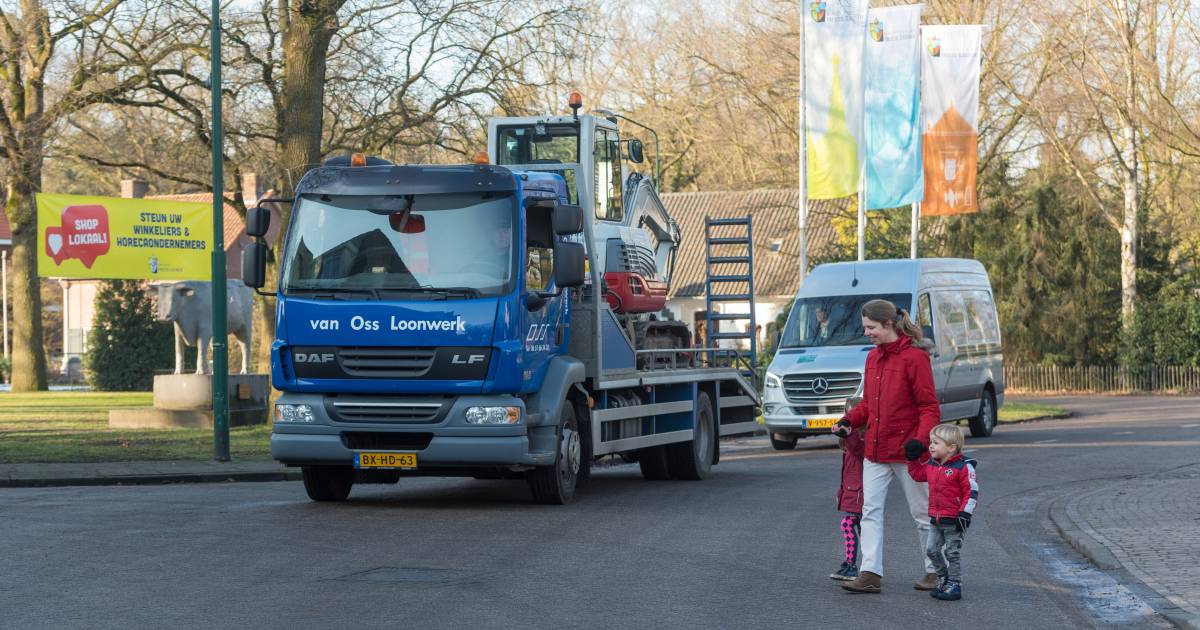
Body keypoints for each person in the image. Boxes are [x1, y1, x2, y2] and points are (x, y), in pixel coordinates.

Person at [832, 298, 940, 594]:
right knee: (870, 511)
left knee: (922, 514)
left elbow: (929, 407)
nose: (867, 333)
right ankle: (870, 573)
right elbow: (868, 405)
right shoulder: (872, 358)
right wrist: (848, 421)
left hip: (910, 453)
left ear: (889, 324)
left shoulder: (915, 358)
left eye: (871, 327)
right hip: (875, 451)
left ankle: (935, 571)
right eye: (865, 327)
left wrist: (920, 441)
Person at [905, 424, 978, 601]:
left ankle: (955, 584)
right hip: (936, 519)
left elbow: (972, 492)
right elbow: (917, 475)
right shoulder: (931, 465)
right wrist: (912, 458)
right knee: (931, 550)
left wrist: (965, 514)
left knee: (952, 552)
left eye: (936, 443)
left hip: (955, 520)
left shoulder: (963, 467)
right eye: (931, 442)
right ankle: (944, 578)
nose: (930, 446)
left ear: (951, 448)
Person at [830, 426, 865, 581]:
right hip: (851, 495)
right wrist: (841, 493)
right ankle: (852, 564)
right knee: (855, 527)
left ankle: (854, 566)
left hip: (858, 496)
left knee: (850, 525)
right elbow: (846, 478)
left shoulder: (859, 449)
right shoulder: (848, 453)